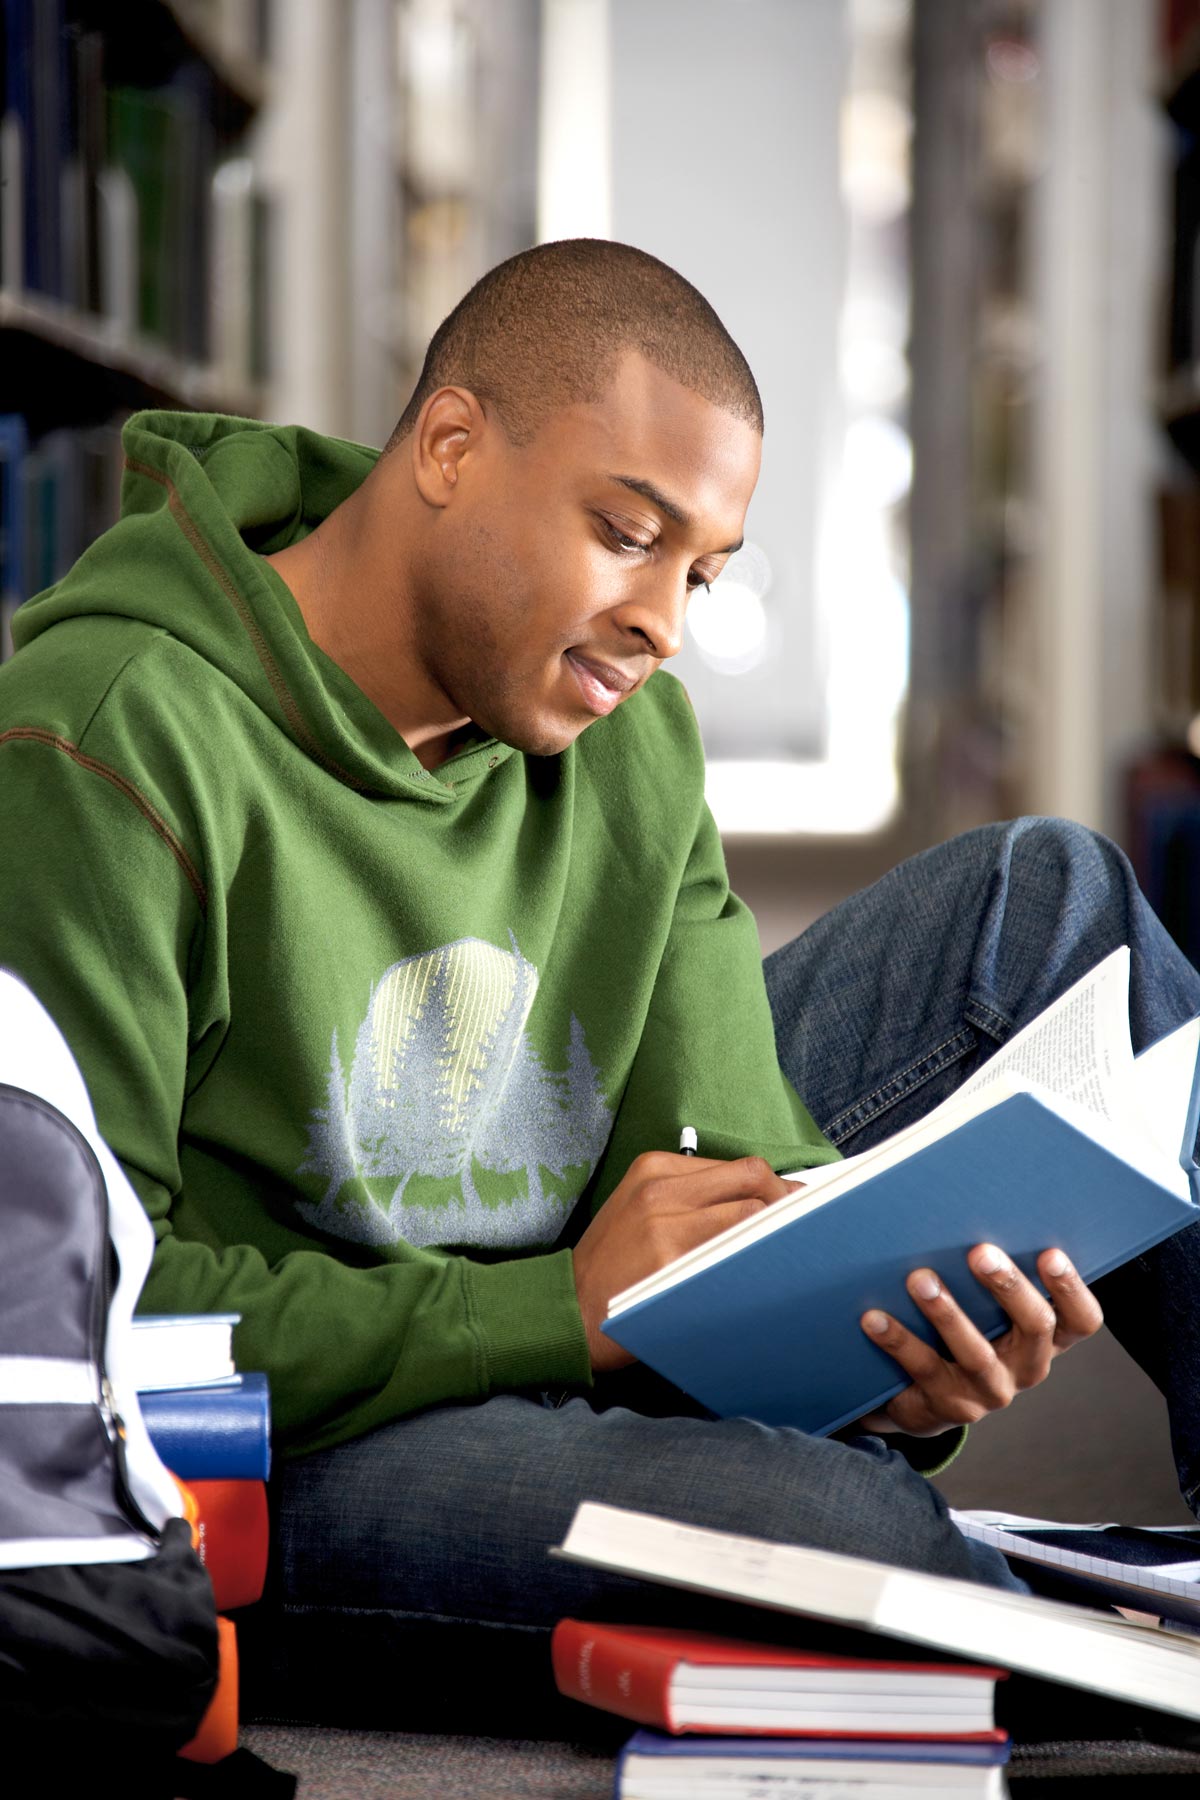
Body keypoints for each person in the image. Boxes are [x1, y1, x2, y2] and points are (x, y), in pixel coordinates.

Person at [1, 240, 1197, 1732]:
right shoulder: (108, 733)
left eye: (701, 573)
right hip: (279, 1436)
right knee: (837, 1534)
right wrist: (552, 1314)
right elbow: (87, 1327)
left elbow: (736, 1156)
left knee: (1058, 906)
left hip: (578, 1303)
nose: (663, 625)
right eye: (629, 535)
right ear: (450, 447)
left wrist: (879, 1362)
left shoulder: (633, 737)